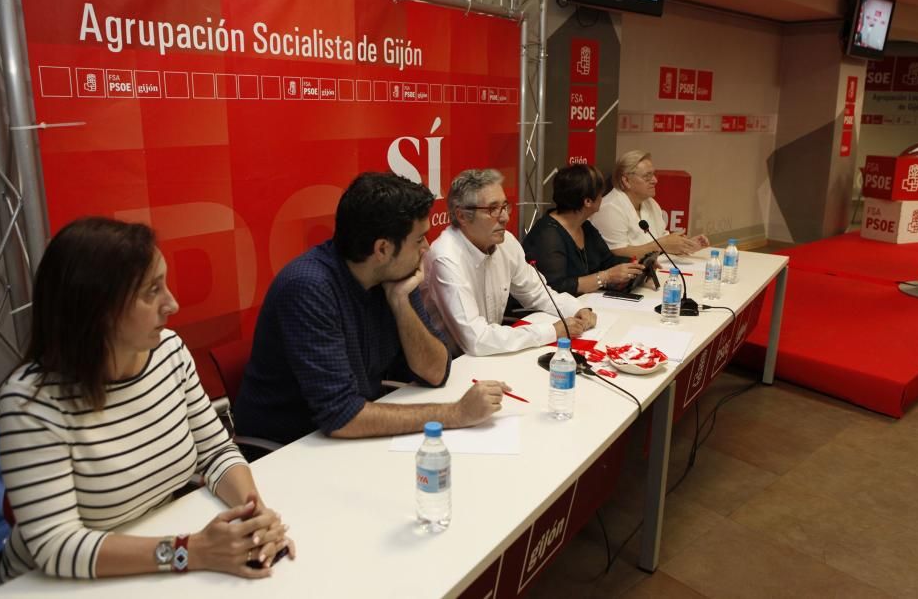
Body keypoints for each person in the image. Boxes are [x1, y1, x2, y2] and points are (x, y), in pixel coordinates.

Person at [0, 217, 293, 583]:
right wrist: (191, 551)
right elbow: (58, 546)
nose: (172, 304)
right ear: (97, 309)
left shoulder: (169, 353)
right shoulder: (31, 404)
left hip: (152, 561)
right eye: (151, 291)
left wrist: (253, 516)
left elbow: (216, 453)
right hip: (58, 584)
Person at [233, 172, 507, 443]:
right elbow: (341, 416)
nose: (426, 247)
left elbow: (435, 372)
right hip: (287, 451)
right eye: (419, 239)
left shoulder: (394, 276)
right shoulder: (308, 288)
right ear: (383, 249)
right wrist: (456, 413)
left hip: (348, 439)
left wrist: (401, 304)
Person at [422, 169, 597, 357]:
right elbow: (476, 340)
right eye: (492, 209)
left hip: (492, 353)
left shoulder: (506, 242)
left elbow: (538, 293)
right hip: (454, 365)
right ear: (462, 216)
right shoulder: (446, 258)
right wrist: (553, 331)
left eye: (505, 206)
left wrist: (577, 309)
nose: (505, 217)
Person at [523, 164, 644, 295]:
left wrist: (638, 265)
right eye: (600, 193)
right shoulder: (547, 235)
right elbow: (556, 287)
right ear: (588, 201)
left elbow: (607, 261)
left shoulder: (584, 226)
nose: (602, 197)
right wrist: (606, 277)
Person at [590, 149, 709, 260]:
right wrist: (660, 245)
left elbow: (663, 239)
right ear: (626, 181)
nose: (655, 180)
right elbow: (617, 253)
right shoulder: (610, 208)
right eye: (647, 176)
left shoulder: (650, 203)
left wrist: (685, 245)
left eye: (653, 174)